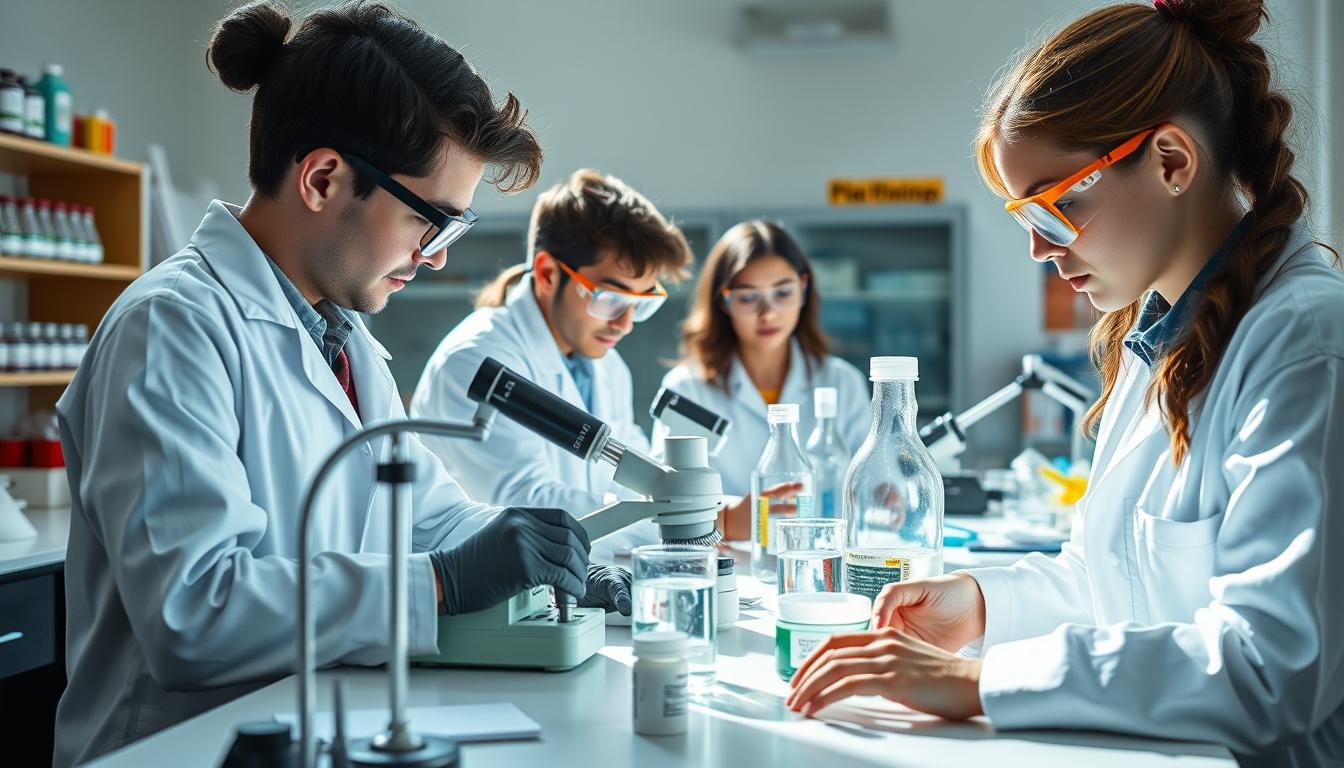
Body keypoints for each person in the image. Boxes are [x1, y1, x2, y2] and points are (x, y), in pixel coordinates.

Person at [52, 4, 625, 765]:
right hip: (177, 748)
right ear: (324, 178)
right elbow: (194, 613)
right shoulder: (172, 327)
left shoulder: (344, 335)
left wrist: (546, 559)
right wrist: (445, 583)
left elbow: (424, 518)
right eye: (434, 221)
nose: (437, 258)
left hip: (317, 724)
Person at [786, 2, 1344, 765]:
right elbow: (1106, 573)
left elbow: (1269, 670)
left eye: (1055, 209)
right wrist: (982, 603)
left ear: (1173, 162)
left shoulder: (1304, 341)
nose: (1037, 251)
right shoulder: (1159, 336)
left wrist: (977, 681)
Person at [411, 169, 693, 559]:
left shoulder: (607, 366)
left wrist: (694, 507)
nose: (625, 323)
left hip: (576, 581)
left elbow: (635, 479)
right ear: (547, 273)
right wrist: (669, 521)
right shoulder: (478, 361)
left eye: (641, 303)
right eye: (611, 299)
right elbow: (525, 502)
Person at [656, 220, 869, 540]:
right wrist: (729, 519)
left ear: (803, 289)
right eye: (748, 297)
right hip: (722, 565)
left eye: (782, 293)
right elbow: (659, 500)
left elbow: (866, 490)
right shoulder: (686, 390)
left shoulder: (842, 382)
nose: (768, 313)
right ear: (723, 301)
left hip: (819, 559)